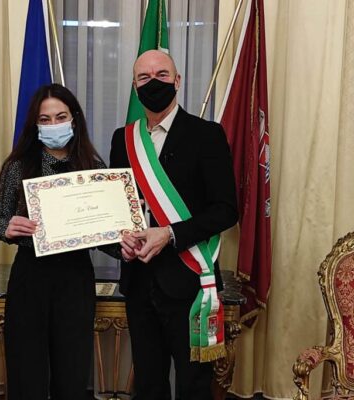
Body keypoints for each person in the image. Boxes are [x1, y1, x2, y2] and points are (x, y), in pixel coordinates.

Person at [109, 50, 238, 399]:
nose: (153, 83)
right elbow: (119, 209)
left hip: (189, 282)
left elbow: (226, 210)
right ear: (135, 87)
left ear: (178, 81)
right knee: (148, 384)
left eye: (162, 75)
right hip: (139, 283)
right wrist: (121, 240)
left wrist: (169, 233)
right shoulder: (123, 139)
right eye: (144, 78)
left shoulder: (206, 135)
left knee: (193, 386)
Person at [0, 83, 105, 400]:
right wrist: (8, 228)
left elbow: (105, 230)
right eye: (45, 119)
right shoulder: (18, 166)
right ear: (35, 124)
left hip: (75, 277)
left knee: (72, 371)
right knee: (27, 371)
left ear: (74, 119)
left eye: (60, 117)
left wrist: (126, 238)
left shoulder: (94, 168)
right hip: (31, 275)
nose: (54, 124)